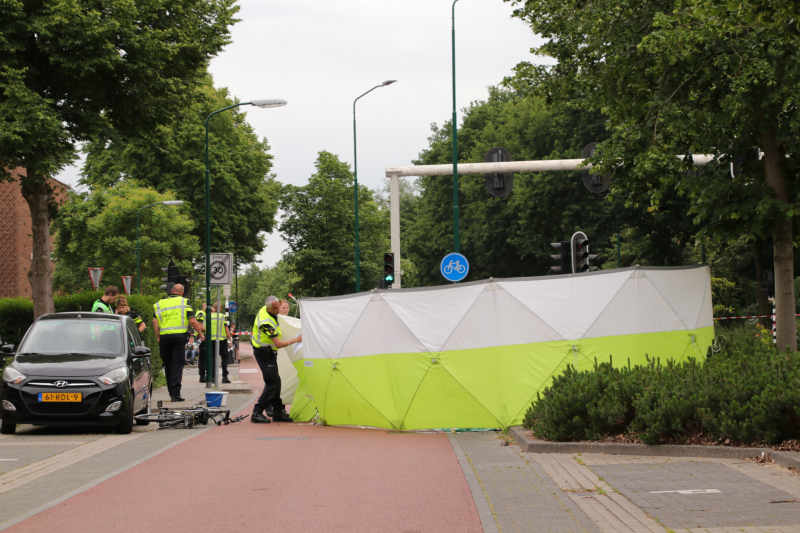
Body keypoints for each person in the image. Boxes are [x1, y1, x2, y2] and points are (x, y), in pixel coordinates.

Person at [251, 296, 301, 424]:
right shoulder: (265, 322)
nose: (278, 309)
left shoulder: (267, 309)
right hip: (263, 353)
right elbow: (278, 343)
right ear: (268, 308)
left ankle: (278, 412)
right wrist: (296, 340)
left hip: (269, 352)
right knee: (272, 383)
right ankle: (257, 412)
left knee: (276, 382)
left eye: (279, 306)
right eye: (275, 308)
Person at [152, 284, 204, 402]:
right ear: (182, 292)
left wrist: (158, 337)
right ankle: (175, 394)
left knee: (168, 364)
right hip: (178, 337)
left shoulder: (160, 303)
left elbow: (155, 321)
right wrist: (200, 334)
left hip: (164, 337)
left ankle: (171, 391)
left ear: (171, 291)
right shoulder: (184, 302)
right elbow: (192, 321)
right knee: (177, 364)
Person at [207, 303, 232, 384]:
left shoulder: (209, 317)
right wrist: (230, 340)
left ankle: (213, 378)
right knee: (224, 358)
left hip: (212, 341)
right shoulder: (223, 316)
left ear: (214, 308)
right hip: (222, 341)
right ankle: (225, 377)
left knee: (213, 359)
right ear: (220, 308)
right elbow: (226, 329)